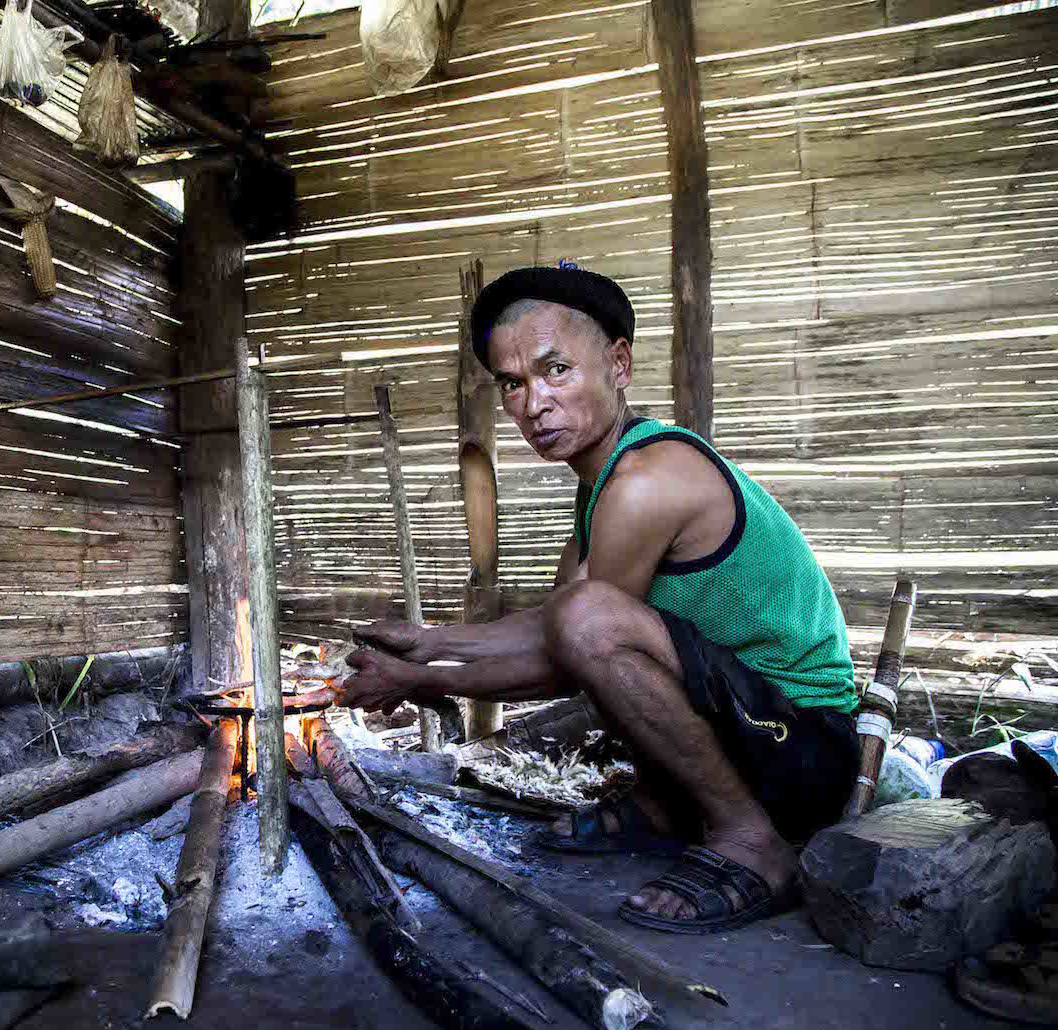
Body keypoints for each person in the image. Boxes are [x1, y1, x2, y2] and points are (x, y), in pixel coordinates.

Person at [339, 265, 860, 934]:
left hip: (805, 749)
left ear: (618, 363)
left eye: (556, 370)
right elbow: (555, 625)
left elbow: (573, 649)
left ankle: (751, 840)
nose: (533, 403)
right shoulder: (602, 485)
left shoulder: (645, 480)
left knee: (591, 623)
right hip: (754, 726)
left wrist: (417, 676)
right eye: (513, 383)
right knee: (583, 615)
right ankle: (665, 806)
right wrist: (433, 640)